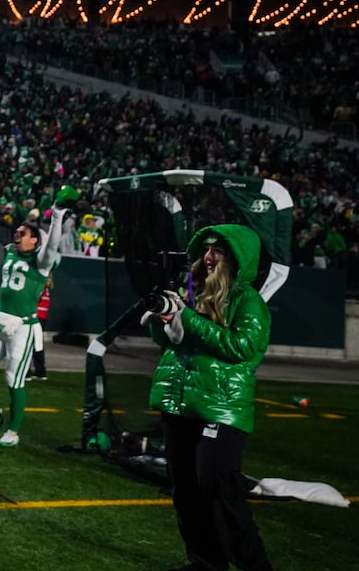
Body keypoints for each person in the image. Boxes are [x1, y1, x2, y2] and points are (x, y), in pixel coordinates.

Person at [143, 224, 274, 571]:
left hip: (221, 408)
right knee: (185, 491)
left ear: (236, 258)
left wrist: (188, 318)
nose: (209, 256)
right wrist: (163, 319)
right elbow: (170, 342)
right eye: (206, 250)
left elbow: (243, 347)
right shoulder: (193, 290)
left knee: (220, 494)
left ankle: (255, 566)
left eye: (218, 250)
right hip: (180, 402)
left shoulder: (249, 302)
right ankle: (205, 563)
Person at [0, 194, 65, 447]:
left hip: (22, 327)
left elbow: (51, 247)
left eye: (22, 233)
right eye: (17, 232)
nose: (16, 236)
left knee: (14, 380)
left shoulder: (41, 262)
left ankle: (13, 430)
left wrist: (57, 216)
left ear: (35, 240)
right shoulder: (9, 253)